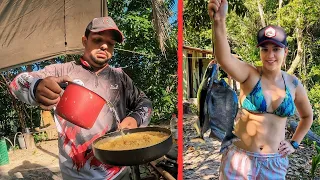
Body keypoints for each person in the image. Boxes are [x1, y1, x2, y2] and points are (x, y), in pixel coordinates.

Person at [9, 16, 153, 180]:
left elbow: (145, 103)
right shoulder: (61, 71)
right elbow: (16, 83)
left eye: (111, 44)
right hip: (76, 174)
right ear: (85, 41)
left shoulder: (120, 78)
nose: (104, 46)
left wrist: (134, 119)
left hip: (118, 171)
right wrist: (35, 87)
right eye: (97, 39)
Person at [208, 0, 313, 179]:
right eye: (264, 49)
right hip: (239, 159)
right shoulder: (250, 74)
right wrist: (219, 21)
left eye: (276, 49)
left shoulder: (293, 84)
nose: (270, 55)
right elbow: (224, 58)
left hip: (274, 163)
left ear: (286, 52)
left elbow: (307, 116)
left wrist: (294, 143)